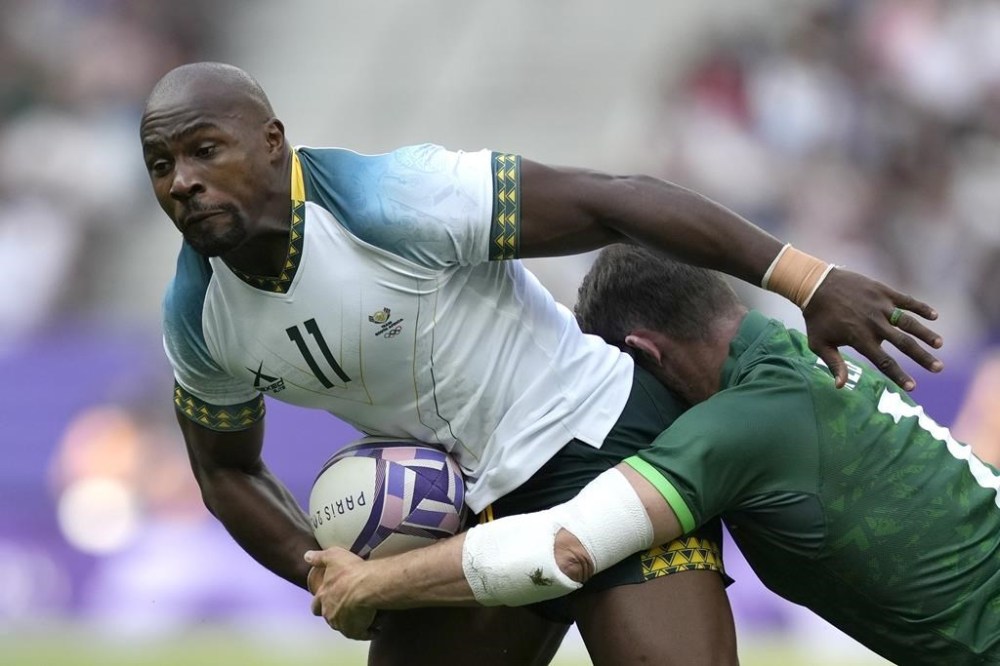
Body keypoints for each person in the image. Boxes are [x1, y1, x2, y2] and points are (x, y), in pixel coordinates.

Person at [141, 61, 941, 665]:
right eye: (162, 166)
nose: (184, 182)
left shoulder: (392, 198)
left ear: (272, 142)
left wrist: (806, 279)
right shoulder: (198, 320)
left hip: (600, 446)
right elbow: (225, 473)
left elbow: (611, 202)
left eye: (205, 150)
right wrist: (319, 571)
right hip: (462, 510)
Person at [309, 245, 998, 665]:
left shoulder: (737, 428)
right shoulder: (806, 366)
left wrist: (368, 584)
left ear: (640, 354)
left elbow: (562, 549)